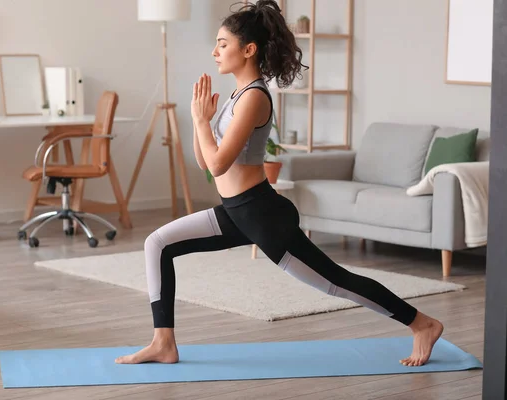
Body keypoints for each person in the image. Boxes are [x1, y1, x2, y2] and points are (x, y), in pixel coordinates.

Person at [116, 0, 443, 367]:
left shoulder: (254, 97)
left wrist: (203, 125)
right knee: (157, 243)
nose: (215, 51)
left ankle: (422, 323)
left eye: (223, 43)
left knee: (336, 282)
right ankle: (164, 343)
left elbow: (219, 162)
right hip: (237, 212)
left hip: (262, 215)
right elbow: (206, 163)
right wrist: (198, 120)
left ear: (249, 49)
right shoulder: (235, 97)